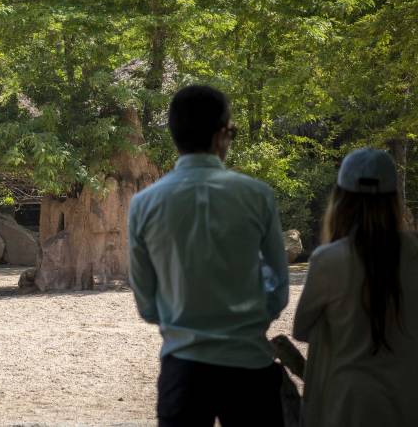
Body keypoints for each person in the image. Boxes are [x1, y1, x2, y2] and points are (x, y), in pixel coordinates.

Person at [128, 85, 289, 427]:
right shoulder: (257, 196)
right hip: (249, 365)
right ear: (221, 136)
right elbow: (279, 284)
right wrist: (253, 321)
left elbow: (146, 299)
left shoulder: (145, 204)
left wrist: (177, 322)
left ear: (174, 136)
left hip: (183, 367)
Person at [293, 148, 418, 427]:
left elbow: (301, 328)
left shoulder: (328, 260)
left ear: (340, 200)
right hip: (409, 400)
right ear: (394, 199)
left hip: (346, 405)